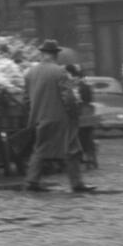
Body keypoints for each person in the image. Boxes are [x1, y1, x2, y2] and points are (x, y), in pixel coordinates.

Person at [23, 42, 95, 194]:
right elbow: (67, 96)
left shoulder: (30, 73)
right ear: (55, 54)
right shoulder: (59, 72)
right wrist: (74, 113)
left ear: (42, 54)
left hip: (39, 116)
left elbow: (26, 99)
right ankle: (77, 183)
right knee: (72, 149)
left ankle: (32, 181)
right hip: (60, 117)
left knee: (40, 149)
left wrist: (33, 113)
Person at [66, 63, 97, 170]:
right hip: (86, 115)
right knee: (87, 138)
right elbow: (89, 100)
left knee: (81, 137)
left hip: (79, 116)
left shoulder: (74, 85)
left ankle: (84, 157)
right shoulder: (84, 85)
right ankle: (89, 158)